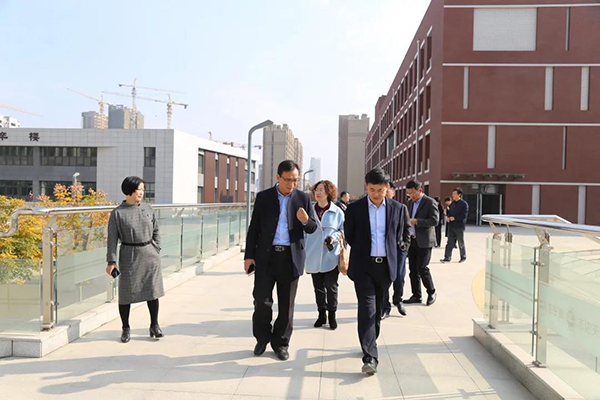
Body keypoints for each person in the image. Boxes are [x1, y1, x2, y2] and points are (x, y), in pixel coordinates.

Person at [244, 160, 318, 361]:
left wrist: (305, 221)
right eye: (288, 180)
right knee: (261, 301)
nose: (292, 184)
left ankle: (281, 343)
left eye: (295, 180)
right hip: (266, 257)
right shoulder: (264, 197)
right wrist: (249, 256)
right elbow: (254, 228)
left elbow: (313, 228)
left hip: (290, 258)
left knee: (286, 305)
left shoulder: (303, 198)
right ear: (278, 177)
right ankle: (262, 338)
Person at [345, 168, 410, 375]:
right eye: (372, 189)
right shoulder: (354, 209)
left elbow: (405, 232)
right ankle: (370, 356)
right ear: (366, 187)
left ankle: (370, 340)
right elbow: (350, 235)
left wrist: (401, 249)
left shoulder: (398, 208)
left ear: (387, 188)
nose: (375, 194)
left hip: (386, 267)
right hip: (363, 266)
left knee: (378, 310)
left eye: (380, 190)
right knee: (367, 309)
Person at [106, 176, 164, 343]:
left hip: (150, 254)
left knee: (152, 291)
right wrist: (111, 261)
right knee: (126, 293)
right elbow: (112, 239)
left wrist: (156, 247)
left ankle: (154, 325)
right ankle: (125, 328)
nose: (142, 193)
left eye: (143, 190)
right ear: (130, 191)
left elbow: (156, 230)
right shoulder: (118, 213)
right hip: (129, 255)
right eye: (139, 189)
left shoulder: (148, 208)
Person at [305, 180, 344, 330]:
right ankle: (321, 315)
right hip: (313, 254)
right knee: (318, 287)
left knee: (331, 286)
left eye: (321, 190)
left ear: (328, 192)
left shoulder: (337, 212)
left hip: (331, 255)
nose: (318, 193)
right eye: (316, 190)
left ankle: (332, 315)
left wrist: (333, 238)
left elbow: (343, 231)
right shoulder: (309, 211)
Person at [404, 179, 439, 307]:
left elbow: (435, 220)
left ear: (420, 190)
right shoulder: (409, 203)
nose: (411, 196)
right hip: (412, 240)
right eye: (409, 194)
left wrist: (417, 221)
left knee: (422, 267)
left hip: (425, 241)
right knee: (412, 269)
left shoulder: (429, 202)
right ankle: (416, 295)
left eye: (413, 193)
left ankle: (431, 292)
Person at [382, 182, 410, 319]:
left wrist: (405, 245)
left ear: (393, 193)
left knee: (399, 276)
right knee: (384, 278)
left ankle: (398, 300)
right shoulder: (378, 209)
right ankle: (385, 306)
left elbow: (407, 227)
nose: (386, 193)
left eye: (388, 191)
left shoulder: (401, 208)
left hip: (398, 249)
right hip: (383, 250)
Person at [441, 188, 469, 263]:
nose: (453, 195)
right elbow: (449, 213)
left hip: (459, 226)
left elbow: (464, 216)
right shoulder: (452, 204)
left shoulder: (464, 204)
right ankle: (447, 257)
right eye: (452, 194)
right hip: (451, 226)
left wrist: (455, 218)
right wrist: (448, 217)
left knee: (460, 242)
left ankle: (463, 257)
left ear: (459, 194)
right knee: (449, 242)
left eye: (454, 194)